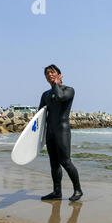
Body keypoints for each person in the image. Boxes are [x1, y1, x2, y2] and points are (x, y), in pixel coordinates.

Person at [38, 65, 83, 202]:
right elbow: (39, 114)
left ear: (59, 74)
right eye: (47, 73)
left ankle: (78, 190)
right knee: (54, 163)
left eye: (52, 72)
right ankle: (57, 192)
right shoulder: (45, 94)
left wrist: (56, 84)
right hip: (50, 132)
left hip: (62, 130)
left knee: (66, 161)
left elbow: (60, 97)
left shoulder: (69, 90)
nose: (49, 75)